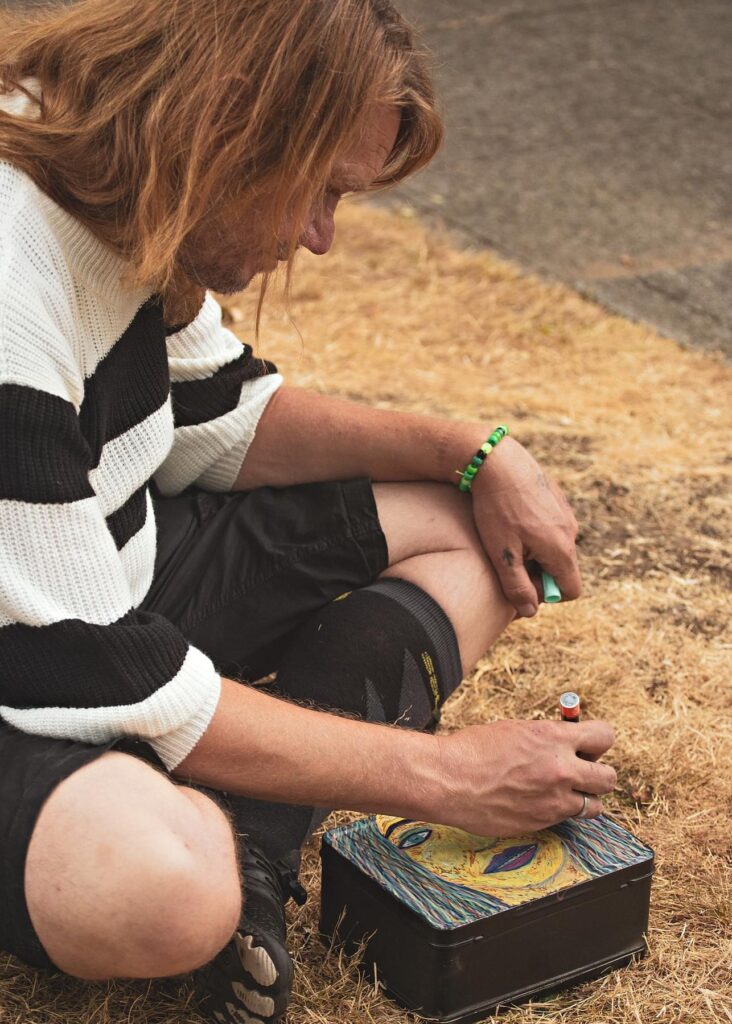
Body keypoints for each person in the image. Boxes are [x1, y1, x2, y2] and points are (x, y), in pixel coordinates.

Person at [0, 1, 617, 1022]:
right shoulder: (11, 274)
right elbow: (107, 672)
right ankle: (219, 859)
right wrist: (444, 778)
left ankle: (253, 836)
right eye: (322, 190)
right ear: (234, 118)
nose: (321, 240)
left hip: (109, 583)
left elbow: (224, 418)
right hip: (37, 669)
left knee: (474, 528)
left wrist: (470, 450)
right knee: (164, 887)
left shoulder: (117, 158)